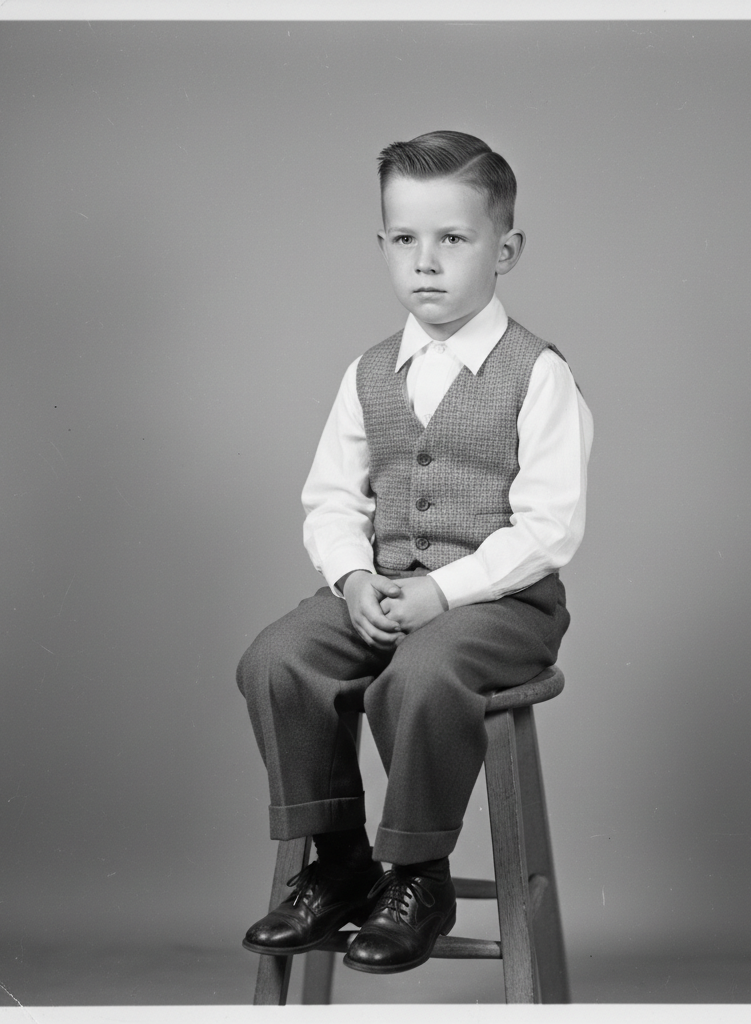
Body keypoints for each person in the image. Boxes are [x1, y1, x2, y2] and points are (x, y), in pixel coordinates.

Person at [236, 130, 593, 975]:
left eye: (453, 239)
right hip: (385, 587)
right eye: (405, 239)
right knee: (278, 660)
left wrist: (447, 594)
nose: (425, 263)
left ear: (504, 251)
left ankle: (418, 876)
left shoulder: (536, 374)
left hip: (501, 606)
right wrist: (353, 575)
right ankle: (343, 866)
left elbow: (549, 529)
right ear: (384, 246)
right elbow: (330, 499)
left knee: (423, 675)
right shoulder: (367, 373)